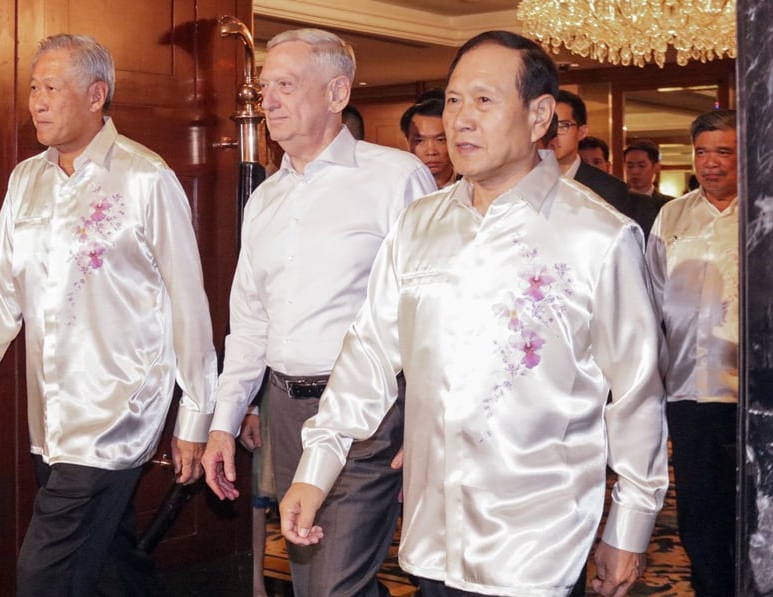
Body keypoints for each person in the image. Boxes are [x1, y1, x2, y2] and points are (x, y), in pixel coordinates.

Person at [280, 30, 669, 597]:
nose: (461, 119)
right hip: (431, 536)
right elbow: (367, 354)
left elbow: (636, 394)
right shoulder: (419, 225)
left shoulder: (599, 238)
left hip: (538, 547)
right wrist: (316, 470)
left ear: (540, 116)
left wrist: (629, 528)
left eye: (484, 101)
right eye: (455, 100)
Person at [0, 34, 217, 597]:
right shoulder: (25, 180)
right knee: (113, 567)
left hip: (116, 413)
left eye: (52, 88)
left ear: (96, 94)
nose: (37, 101)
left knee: (46, 575)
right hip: (50, 419)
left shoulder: (144, 177)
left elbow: (188, 303)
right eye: (34, 88)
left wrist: (195, 417)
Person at [201, 27, 435, 597]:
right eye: (264, 87)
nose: (268, 101)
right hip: (284, 410)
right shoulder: (264, 199)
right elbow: (249, 321)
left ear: (336, 93)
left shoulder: (396, 179)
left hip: (368, 415)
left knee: (333, 586)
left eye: (285, 84)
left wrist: (428, 421)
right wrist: (222, 422)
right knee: (313, 582)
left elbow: (429, 312)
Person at [645, 109, 738, 597]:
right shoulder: (672, 216)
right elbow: (652, 298)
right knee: (699, 513)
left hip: (754, 395)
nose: (711, 163)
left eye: (723, 151)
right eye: (702, 152)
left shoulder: (763, 213)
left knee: (756, 513)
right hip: (686, 389)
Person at [551, 89, 660, 233]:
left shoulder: (609, 189)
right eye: (544, 125)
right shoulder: (524, 180)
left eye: (562, 126)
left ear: (582, 132)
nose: (552, 134)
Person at [400, 89, 459, 189]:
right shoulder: (400, 188)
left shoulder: (473, 186)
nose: (431, 151)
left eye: (440, 140)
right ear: (408, 142)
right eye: (419, 141)